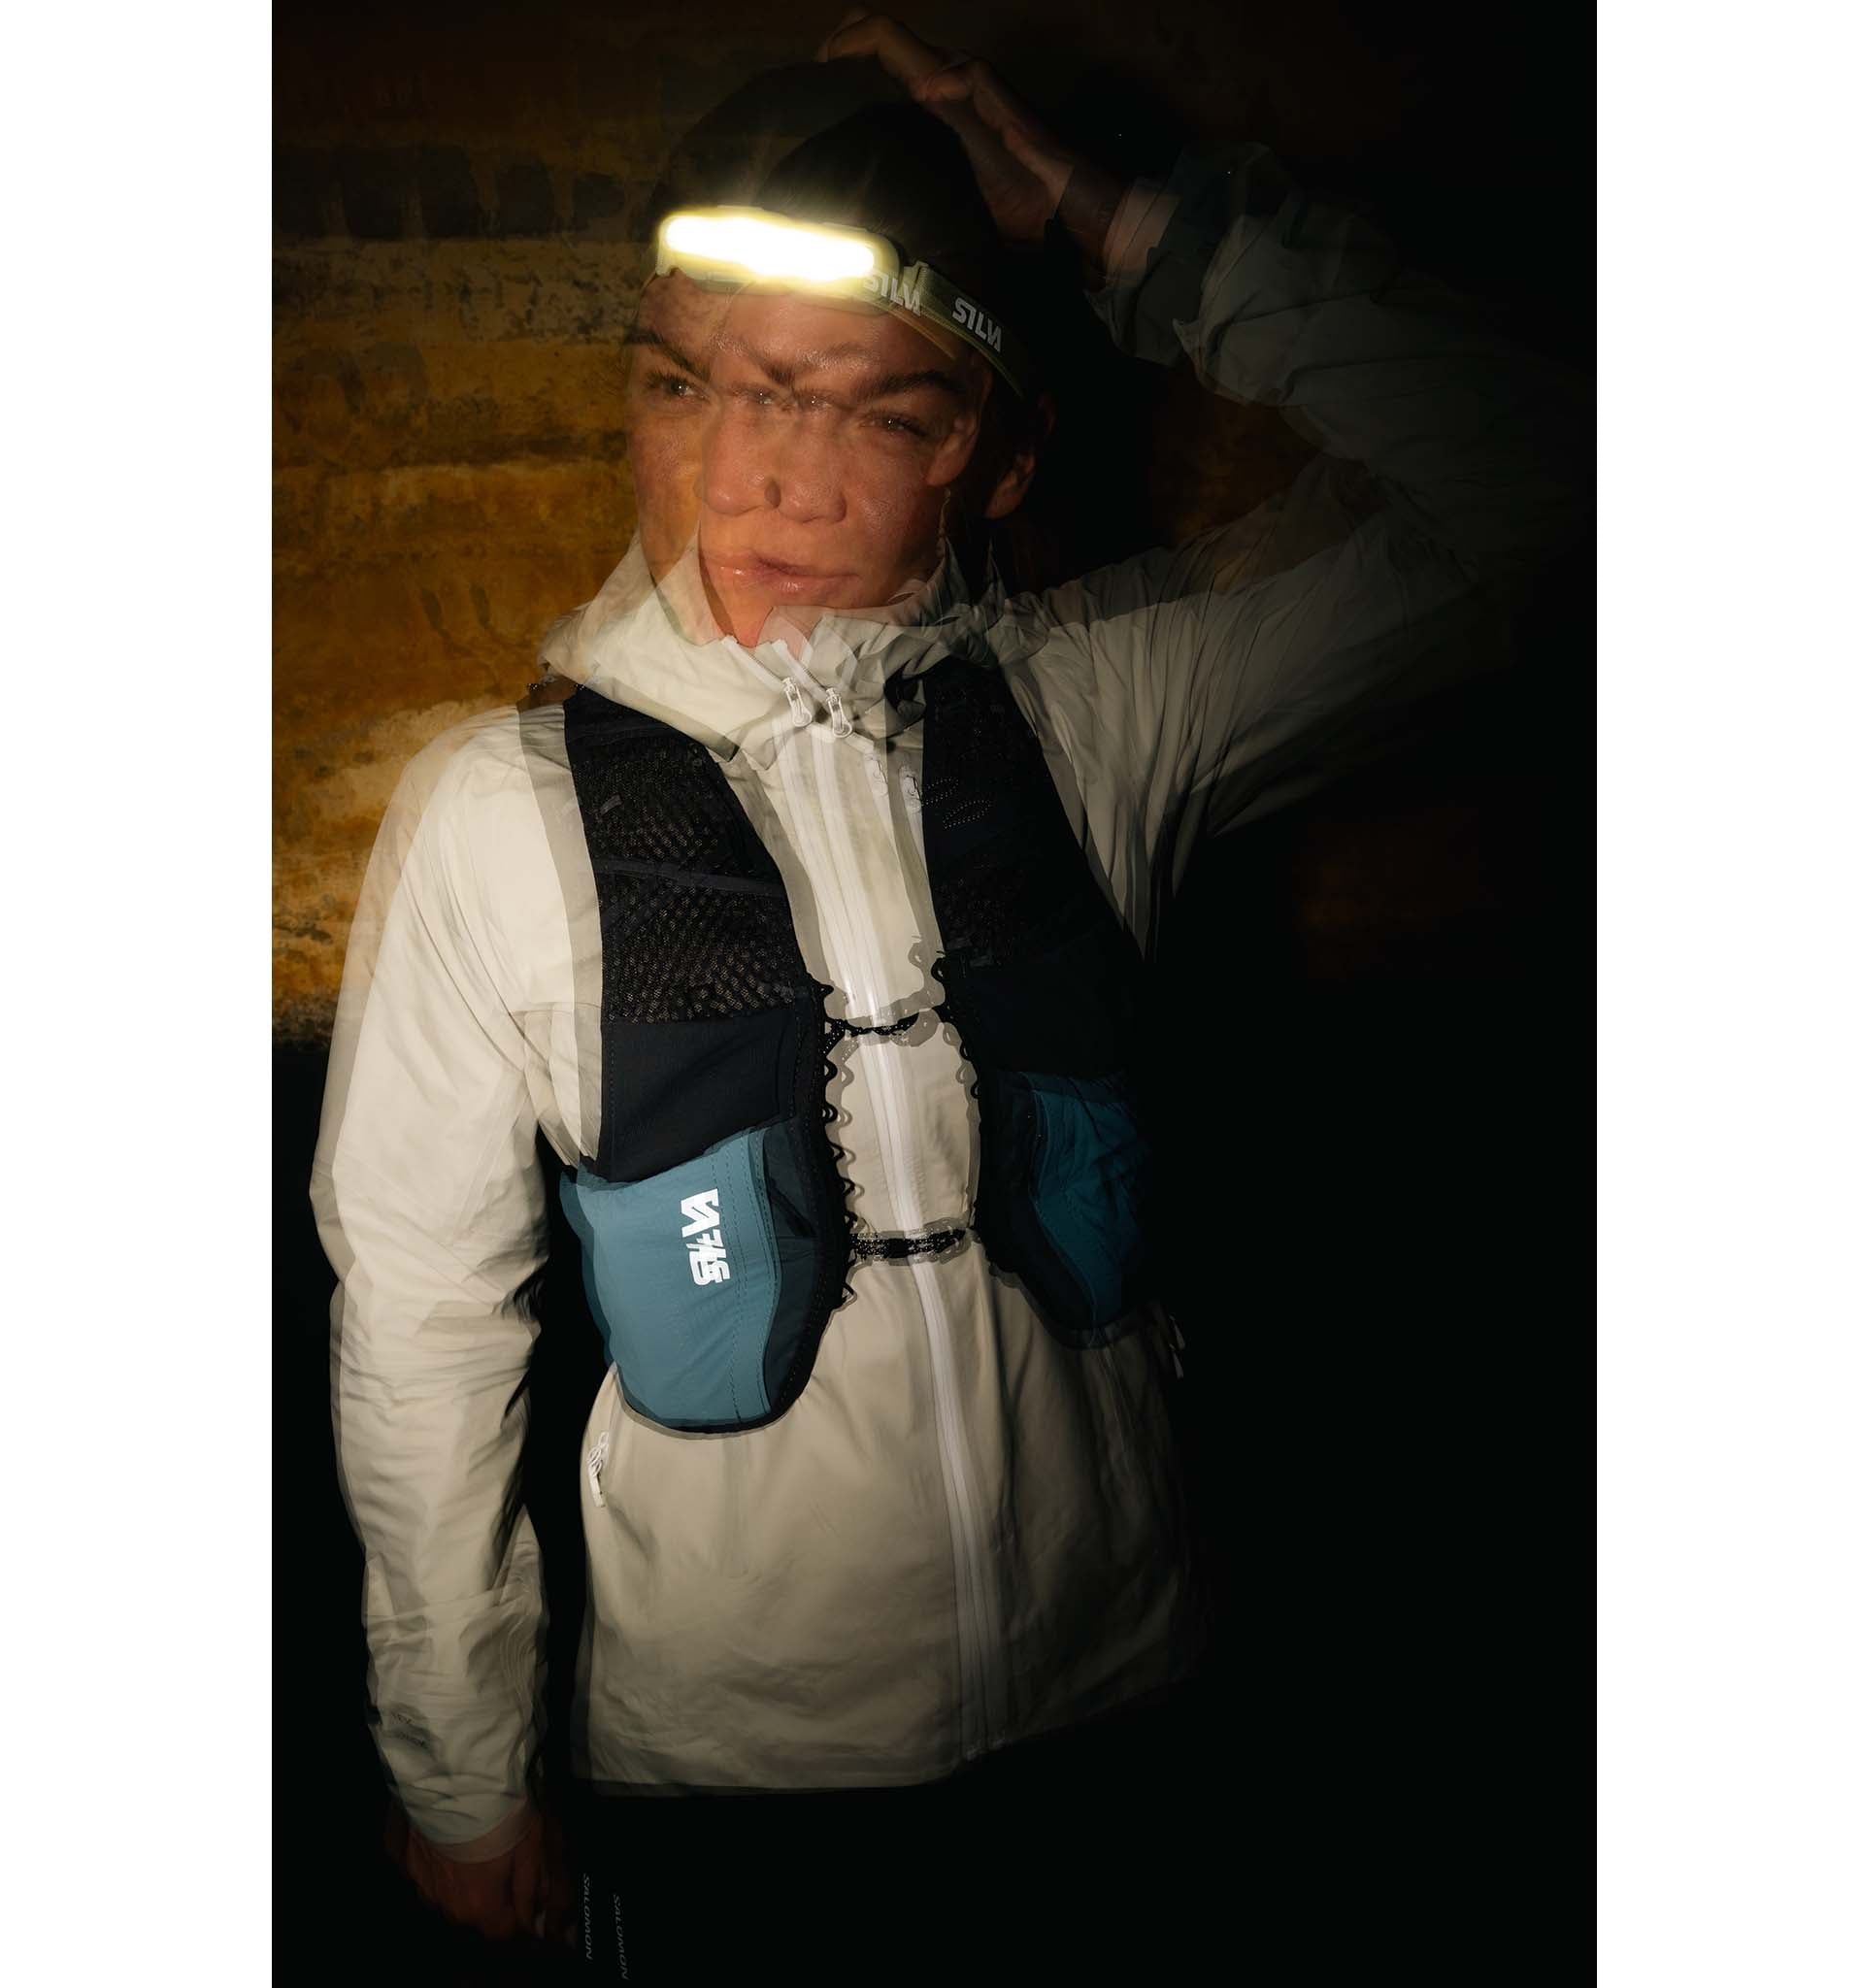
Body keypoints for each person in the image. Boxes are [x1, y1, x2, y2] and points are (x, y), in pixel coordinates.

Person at [311, 13, 1590, 1974]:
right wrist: (458, 1766)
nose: (763, 477)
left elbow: (1562, 486)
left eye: (868, 410)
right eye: (691, 383)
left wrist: (1128, 228)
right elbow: (418, 1326)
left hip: (1138, 1707)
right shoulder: (497, 814)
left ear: (994, 450)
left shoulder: (1101, 711)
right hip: (733, 1785)